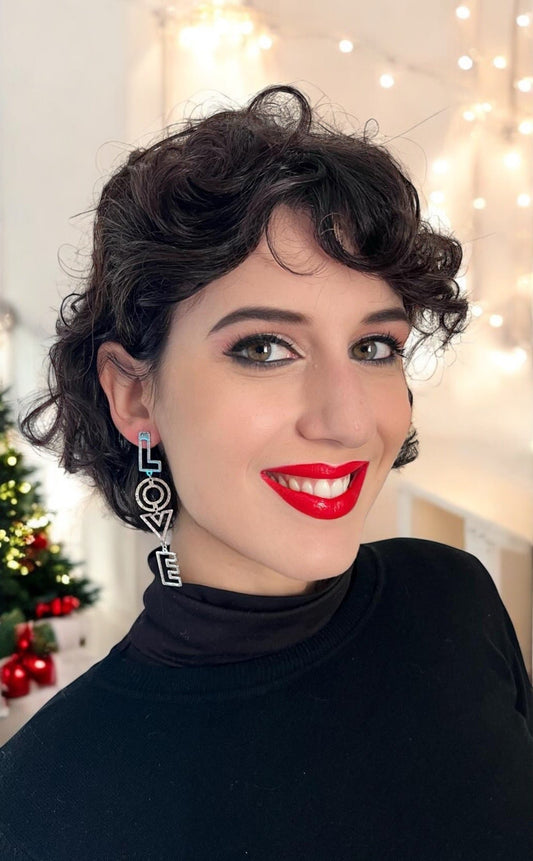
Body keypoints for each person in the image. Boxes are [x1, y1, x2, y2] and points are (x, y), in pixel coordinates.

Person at [0, 84, 531, 860]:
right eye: (263, 348)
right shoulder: (39, 806)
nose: (347, 420)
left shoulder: (453, 599)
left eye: (373, 347)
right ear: (134, 394)